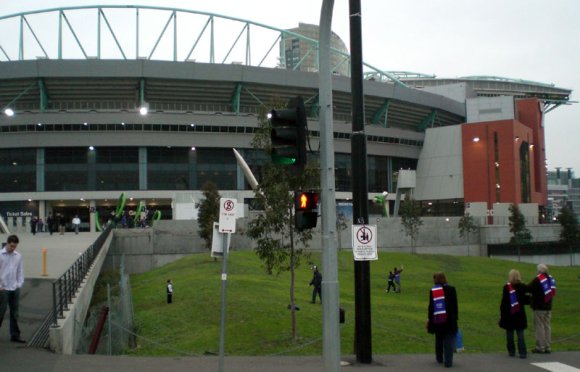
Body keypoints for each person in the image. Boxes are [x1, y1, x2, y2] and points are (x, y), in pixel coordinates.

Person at [426, 272, 458, 368]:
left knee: (439, 338)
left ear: (436, 280)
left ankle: (439, 358)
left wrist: (429, 319)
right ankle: (448, 362)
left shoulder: (433, 291)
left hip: (438, 318)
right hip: (449, 319)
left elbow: (431, 307)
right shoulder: (452, 289)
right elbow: (455, 305)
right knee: (448, 341)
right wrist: (455, 318)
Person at [0, 235, 26, 343]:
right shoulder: (0, 255)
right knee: (1, 312)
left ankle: (15, 335)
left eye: (15, 246)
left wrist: (19, 283)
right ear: (7, 243)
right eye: (11, 246)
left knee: (15, 313)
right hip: (3, 288)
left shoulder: (18, 256)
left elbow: (20, 270)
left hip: (14, 287)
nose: (13, 248)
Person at [499, 269, 529, 358]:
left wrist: (501, 313)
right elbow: (526, 301)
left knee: (510, 332)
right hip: (519, 313)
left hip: (509, 313)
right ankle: (522, 352)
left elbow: (504, 302)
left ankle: (511, 351)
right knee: (520, 333)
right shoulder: (523, 287)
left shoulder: (506, 287)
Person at [529, 263, 556, 354]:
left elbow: (529, 288)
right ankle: (548, 346)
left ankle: (541, 347)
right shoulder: (551, 279)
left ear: (539, 271)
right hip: (548, 307)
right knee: (547, 326)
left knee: (539, 327)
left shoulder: (538, 280)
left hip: (539, 307)